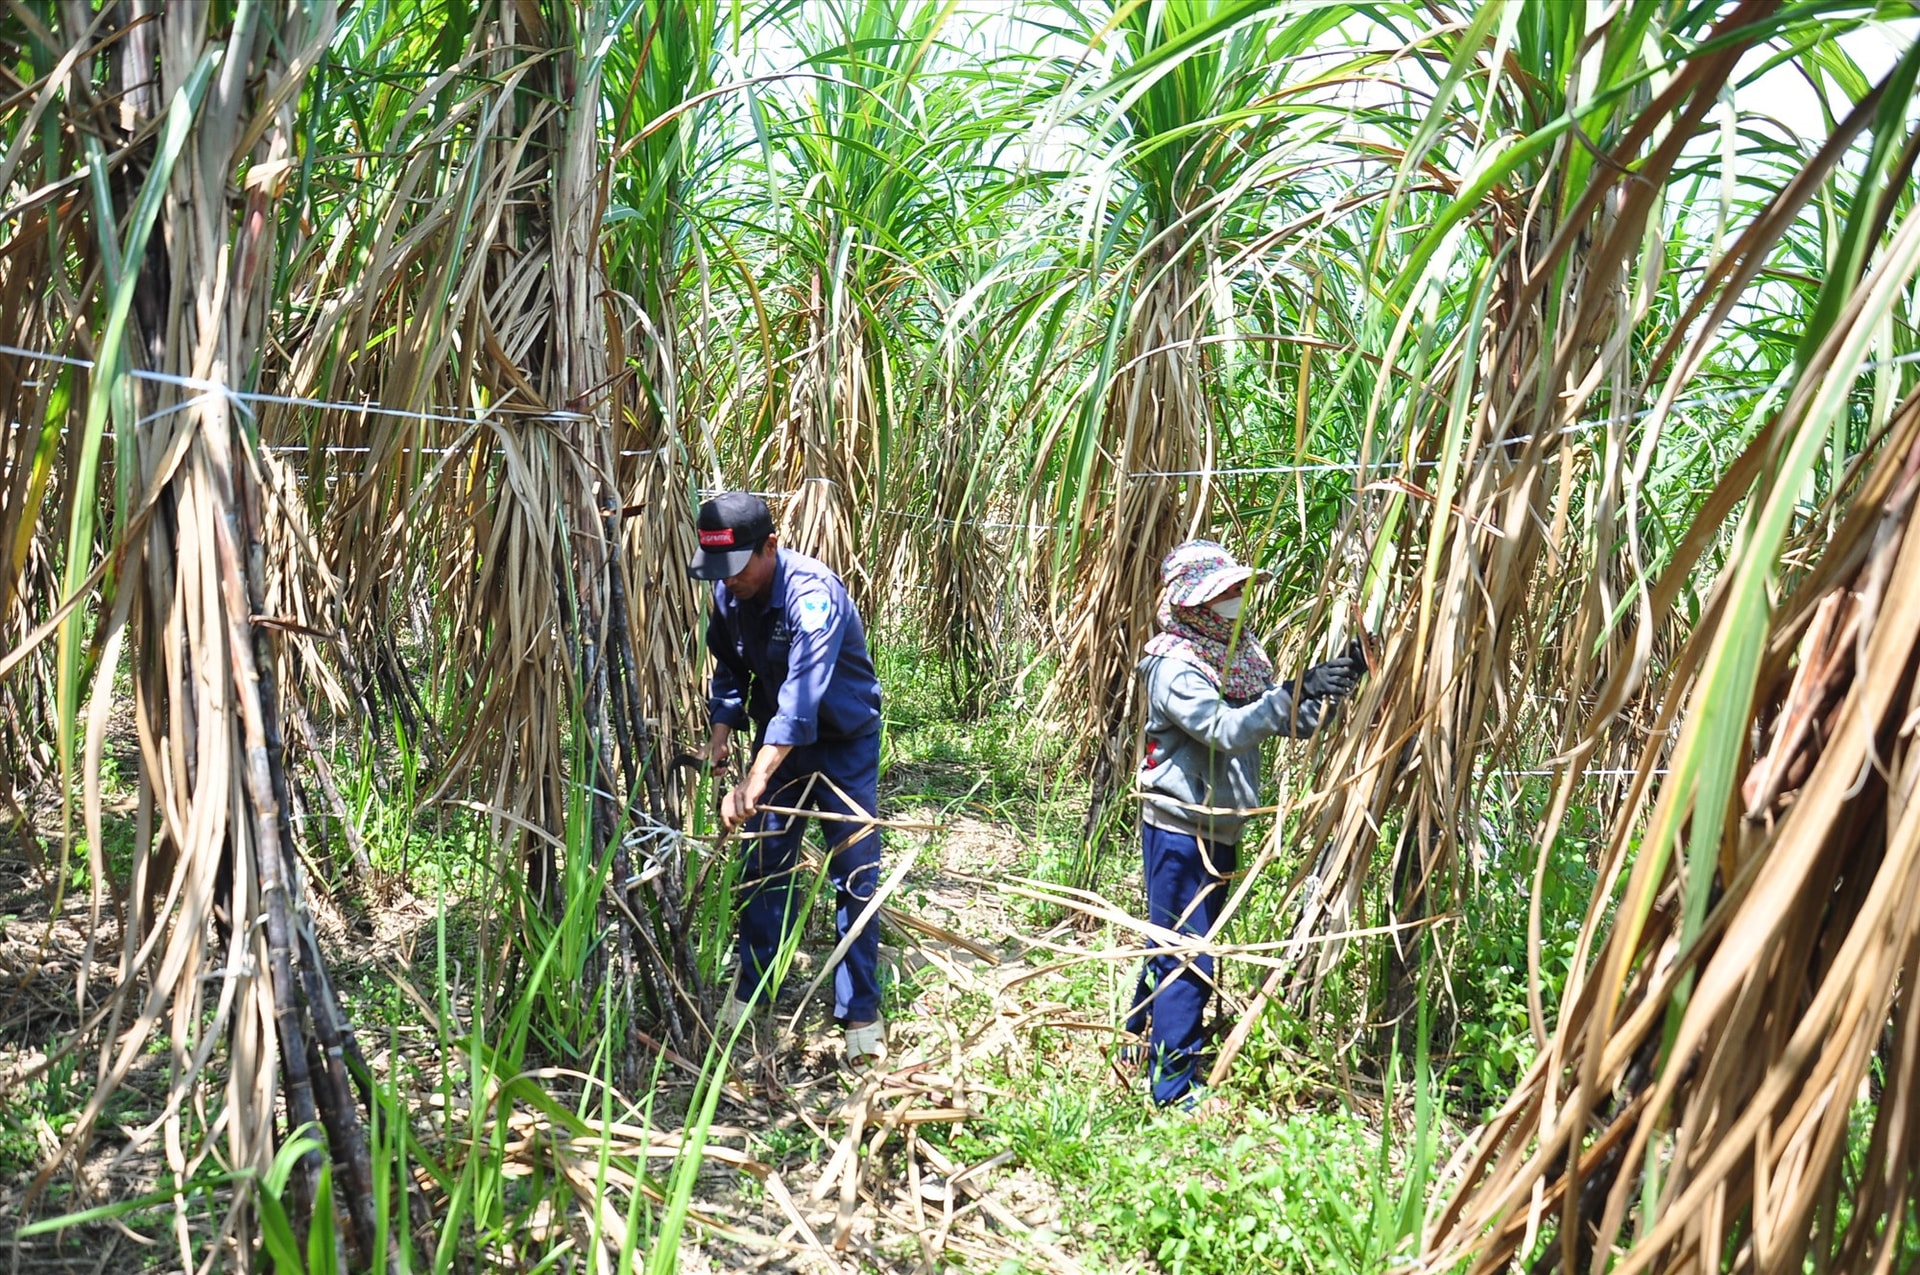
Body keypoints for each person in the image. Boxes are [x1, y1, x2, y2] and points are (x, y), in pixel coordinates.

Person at [1128, 539, 1365, 1106]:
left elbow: (1282, 721)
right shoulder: (1173, 663)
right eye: (1224, 591)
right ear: (1194, 603)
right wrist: (1291, 691)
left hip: (1219, 826)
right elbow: (1224, 729)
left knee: (1176, 939)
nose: (1237, 597)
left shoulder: (1238, 655)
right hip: (1180, 825)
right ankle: (1171, 1087)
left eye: (1238, 588)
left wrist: (1333, 683)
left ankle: (1137, 1036)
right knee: (1191, 953)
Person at [687, 492, 888, 1062]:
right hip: (773, 748)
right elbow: (728, 671)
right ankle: (753, 992)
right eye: (717, 572)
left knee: (854, 873)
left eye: (738, 568)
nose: (728, 583)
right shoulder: (731, 595)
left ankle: (860, 1015)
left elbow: (801, 698)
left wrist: (754, 779)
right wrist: (721, 737)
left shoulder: (812, 596)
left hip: (840, 745)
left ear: (770, 546)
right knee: (763, 867)